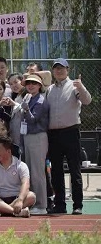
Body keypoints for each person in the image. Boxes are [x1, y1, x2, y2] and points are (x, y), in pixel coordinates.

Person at [46, 58, 92, 215]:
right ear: (53, 71)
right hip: (53, 135)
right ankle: (60, 204)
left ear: (68, 69)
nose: (59, 71)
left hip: (71, 133)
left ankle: (77, 205)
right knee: (57, 172)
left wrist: (81, 87)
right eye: (56, 68)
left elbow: (87, 101)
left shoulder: (75, 86)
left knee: (75, 170)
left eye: (62, 68)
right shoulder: (49, 89)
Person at [0, 136, 36, 217]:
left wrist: (20, 200)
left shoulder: (21, 165)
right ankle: (14, 212)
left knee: (31, 196)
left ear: (8, 151)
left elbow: (26, 184)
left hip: (16, 198)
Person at [20, 73, 50, 215]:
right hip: (28, 136)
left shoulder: (40, 100)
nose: (30, 85)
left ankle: (42, 205)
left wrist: (25, 109)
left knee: (37, 172)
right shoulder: (29, 98)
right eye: (28, 83)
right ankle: (34, 202)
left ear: (39, 85)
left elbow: (33, 120)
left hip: (37, 137)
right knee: (30, 172)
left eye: (34, 83)